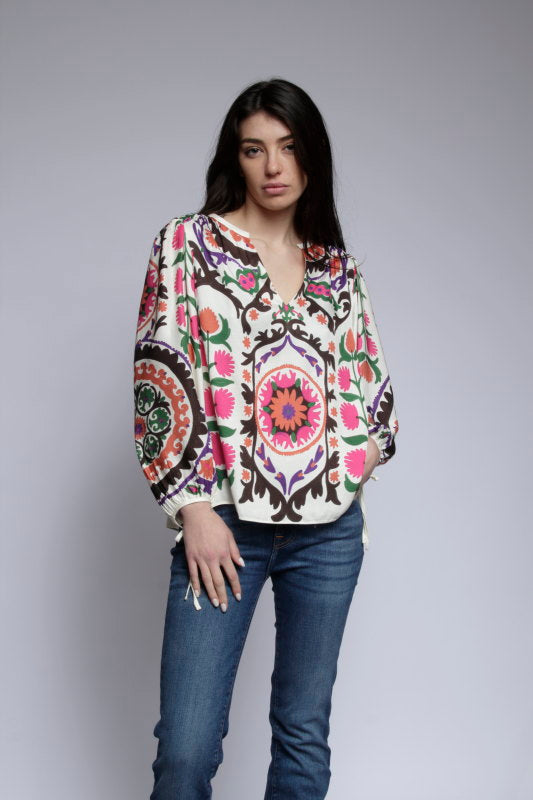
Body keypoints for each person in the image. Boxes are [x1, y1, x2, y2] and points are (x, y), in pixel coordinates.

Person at [133, 77, 399, 799]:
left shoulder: (336, 270)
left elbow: (376, 397)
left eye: (288, 147)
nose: (273, 166)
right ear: (236, 159)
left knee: (302, 733)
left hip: (328, 536)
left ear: (312, 156)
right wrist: (193, 509)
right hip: (223, 527)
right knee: (187, 748)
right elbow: (159, 377)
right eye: (254, 150)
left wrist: (349, 464)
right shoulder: (187, 245)